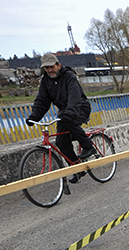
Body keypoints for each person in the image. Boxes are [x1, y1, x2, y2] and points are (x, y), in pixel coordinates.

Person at [27, 53, 94, 183]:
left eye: (52, 67)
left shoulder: (69, 76)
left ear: (58, 65)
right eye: (47, 68)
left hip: (80, 108)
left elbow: (74, 97)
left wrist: (69, 112)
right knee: (61, 142)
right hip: (65, 112)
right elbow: (42, 101)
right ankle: (77, 168)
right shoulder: (46, 81)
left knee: (69, 121)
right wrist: (34, 116)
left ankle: (88, 146)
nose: (50, 70)